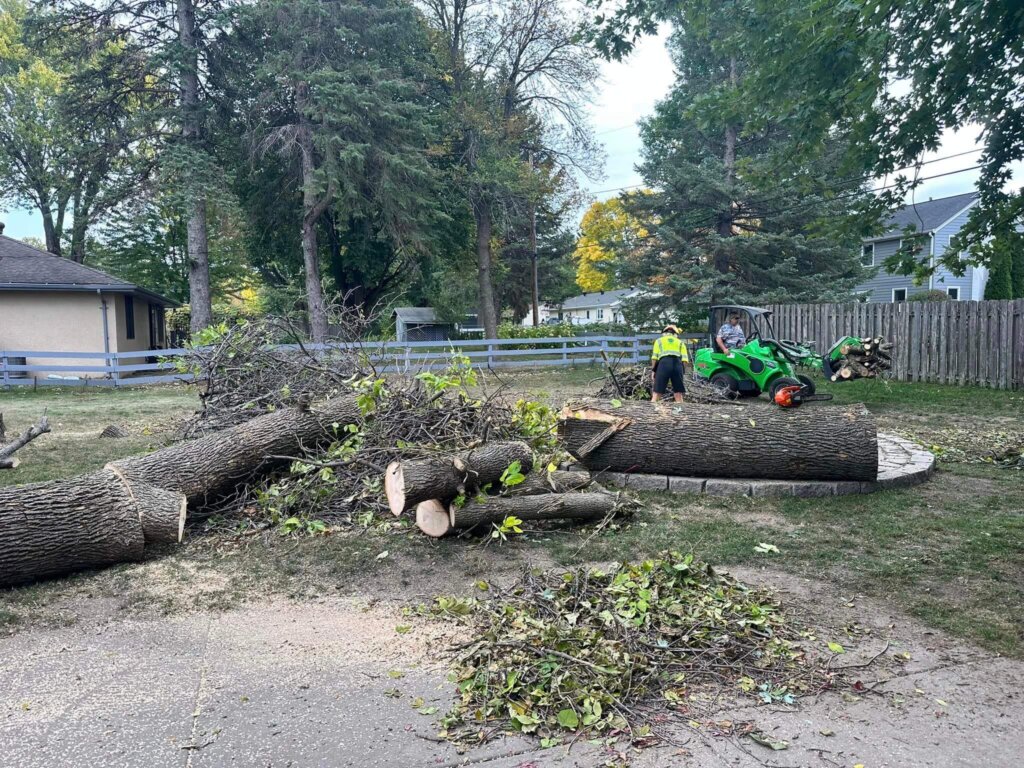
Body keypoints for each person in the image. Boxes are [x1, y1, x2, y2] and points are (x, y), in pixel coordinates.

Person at [650, 324, 688, 402]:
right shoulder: (680, 343)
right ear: (676, 333)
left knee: (657, 392)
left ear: (664, 332)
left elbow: (654, 358)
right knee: (678, 393)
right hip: (677, 365)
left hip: (663, 364)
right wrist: (682, 372)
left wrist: (653, 371)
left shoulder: (659, 341)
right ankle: (681, 412)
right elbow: (685, 360)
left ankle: (652, 410)